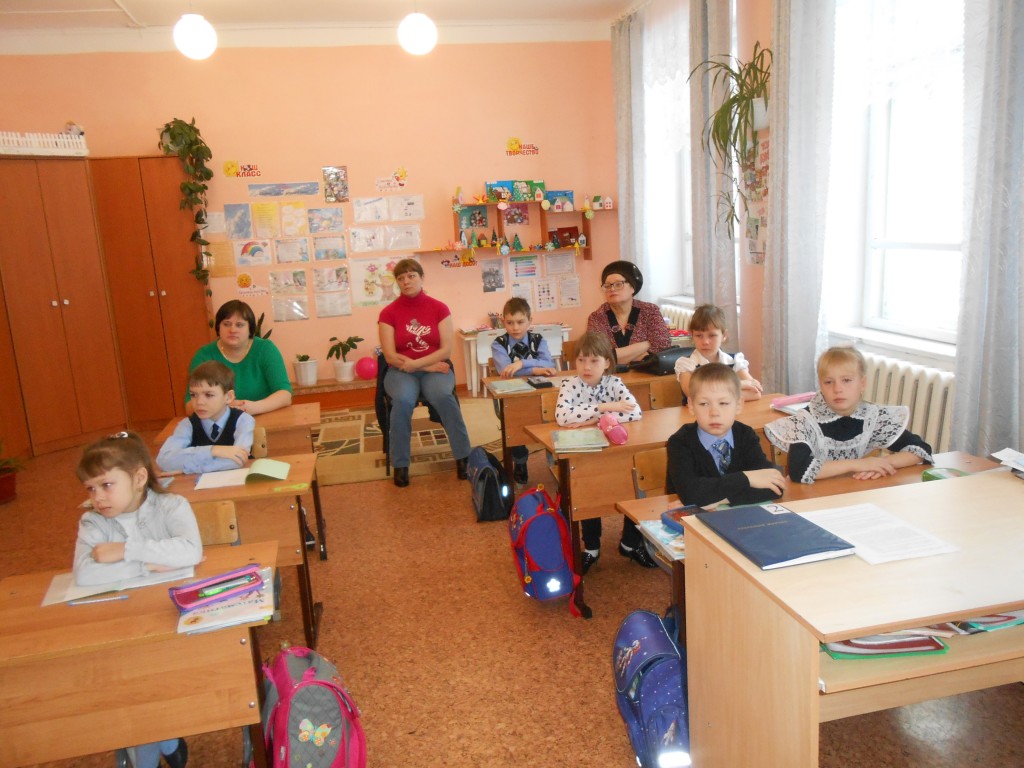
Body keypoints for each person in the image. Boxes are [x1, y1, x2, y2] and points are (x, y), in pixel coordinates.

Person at [73, 431, 201, 768]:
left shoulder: (172, 505)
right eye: (90, 488)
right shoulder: (92, 521)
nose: (98, 497)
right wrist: (146, 565)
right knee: (128, 681)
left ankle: (158, 741)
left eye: (106, 485)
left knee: (157, 677)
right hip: (119, 621)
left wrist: (124, 551)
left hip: (168, 617)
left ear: (139, 478)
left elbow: (191, 550)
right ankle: (160, 742)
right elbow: (84, 573)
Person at [764, 346, 933, 483]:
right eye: (829, 382)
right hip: (812, 499)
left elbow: (920, 449)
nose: (837, 389)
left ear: (862, 383)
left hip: (853, 493)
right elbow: (798, 470)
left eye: (846, 380)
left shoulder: (871, 416)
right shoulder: (806, 421)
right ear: (820, 386)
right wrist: (857, 465)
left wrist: (880, 464)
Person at [555, 331, 650, 573]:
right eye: (581, 360)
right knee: (587, 492)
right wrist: (606, 408)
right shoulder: (569, 385)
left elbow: (635, 412)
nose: (586, 367)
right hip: (585, 455)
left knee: (635, 484)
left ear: (607, 362)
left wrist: (592, 418)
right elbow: (563, 416)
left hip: (616, 454)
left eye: (594, 360)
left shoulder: (614, 383)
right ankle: (591, 547)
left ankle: (630, 544)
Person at [378, 258, 472, 488]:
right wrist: (424, 366)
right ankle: (401, 464)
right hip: (401, 371)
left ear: (421, 278)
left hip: (435, 369)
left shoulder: (439, 308)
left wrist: (418, 364)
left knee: (443, 396)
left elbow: (446, 350)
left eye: (411, 276)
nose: (406, 281)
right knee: (402, 400)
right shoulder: (388, 313)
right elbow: (390, 356)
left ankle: (463, 457)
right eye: (401, 278)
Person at [666, 363, 786, 508]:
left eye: (723, 403)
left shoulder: (745, 435)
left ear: (738, 405)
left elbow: (775, 487)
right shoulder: (680, 442)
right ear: (691, 405)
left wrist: (718, 500)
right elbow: (691, 494)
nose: (714, 413)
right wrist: (746, 478)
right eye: (704, 404)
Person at [491, 297, 559, 484]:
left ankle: (554, 460)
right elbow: (506, 371)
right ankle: (520, 461)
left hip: (540, 394)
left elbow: (549, 365)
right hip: (513, 396)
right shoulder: (498, 343)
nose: (515, 328)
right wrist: (536, 369)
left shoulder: (539, 340)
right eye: (510, 322)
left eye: (520, 322)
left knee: (553, 416)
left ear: (530, 321)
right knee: (515, 422)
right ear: (503, 322)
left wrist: (521, 363)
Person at [187, 300, 292, 416]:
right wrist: (225, 410)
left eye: (239, 325)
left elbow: (285, 394)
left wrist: (252, 407)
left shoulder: (265, 349)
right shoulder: (204, 355)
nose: (232, 330)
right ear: (218, 327)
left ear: (250, 329)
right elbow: (189, 405)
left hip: (264, 417)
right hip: (220, 422)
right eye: (226, 324)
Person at [157, 361, 255, 474]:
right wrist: (213, 450)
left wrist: (187, 468)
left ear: (228, 397)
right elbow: (164, 460)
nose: (199, 402)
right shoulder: (187, 424)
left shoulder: (243, 420)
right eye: (193, 395)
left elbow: (237, 460)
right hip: (197, 484)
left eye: (209, 395)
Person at [587, 260, 671, 365]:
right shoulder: (596, 317)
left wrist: (616, 357)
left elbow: (663, 345)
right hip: (610, 374)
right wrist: (647, 344)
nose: (612, 289)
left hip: (645, 373)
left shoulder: (650, 311)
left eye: (618, 284)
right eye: (607, 286)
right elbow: (598, 356)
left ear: (632, 287)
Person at [675, 304, 762, 401]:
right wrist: (738, 384)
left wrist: (713, 395)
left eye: (712, 335)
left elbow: (755, 393)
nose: (705, 342)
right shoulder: (686, 364)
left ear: (724, 336)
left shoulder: (734, 361)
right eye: (699, 335)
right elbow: (695, 395)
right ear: (692, 335)